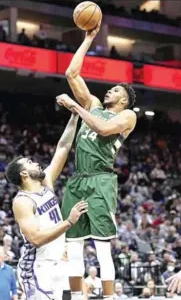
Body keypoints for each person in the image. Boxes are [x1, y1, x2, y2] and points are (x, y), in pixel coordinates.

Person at [56, 21, 137, 300]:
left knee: (102, 247)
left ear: (124, 100)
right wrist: (88, 38)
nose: (110, 92)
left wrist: (76, 107)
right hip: (78, 178)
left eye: (116, 91)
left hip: (102, 180)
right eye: (111, 90)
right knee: (74, 244)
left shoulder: (127, 117)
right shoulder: (94, 106)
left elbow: (103, 130)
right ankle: (77, 297)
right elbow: (71, 73)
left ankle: (110, 297)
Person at [6, 113, 88, 300]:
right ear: (24, 174)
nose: (36, 162)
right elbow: (35, 239)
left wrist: (74, 115)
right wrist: (68, 222)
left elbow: (63, 146)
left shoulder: (46, 184)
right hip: (36, 267)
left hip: (56, 263)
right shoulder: (22, 201)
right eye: (30, 163)